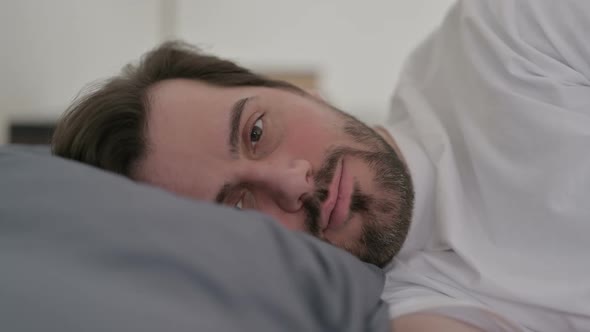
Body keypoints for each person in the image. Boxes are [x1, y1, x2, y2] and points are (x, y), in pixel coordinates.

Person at [52, 0, 590, 331]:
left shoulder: (508, 37)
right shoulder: (410, 305)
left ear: (292, 89)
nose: (291, 184)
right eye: (238, 206)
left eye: (256, 131)